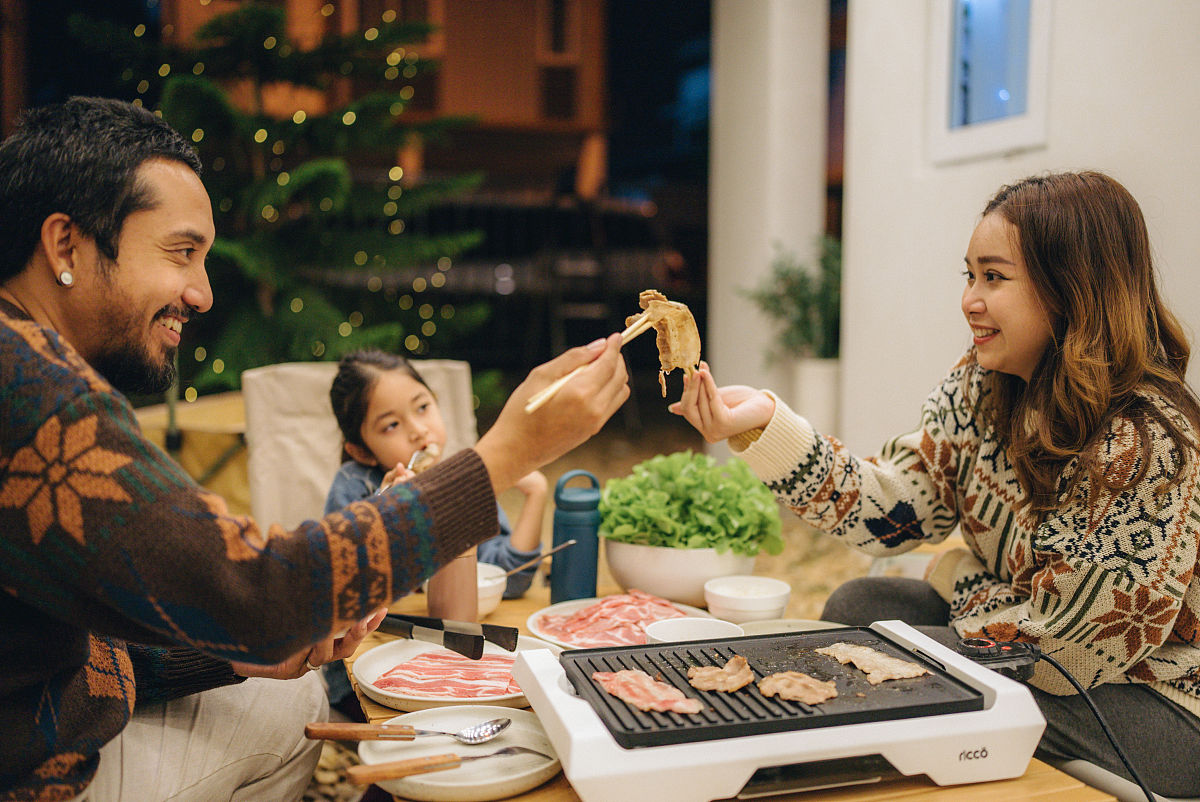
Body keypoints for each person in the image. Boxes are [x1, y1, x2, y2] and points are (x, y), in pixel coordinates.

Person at [0, 97, 628, 802]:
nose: (202, 293)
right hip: (33, 775)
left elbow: (103, 621)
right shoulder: (31, 393)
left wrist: (242, 648)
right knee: (289, 708)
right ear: (65, 246)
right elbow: (260, 589)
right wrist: (506, 455)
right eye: (181, 253)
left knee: (280, 698)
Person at [672, 171, 1200, 798]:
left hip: (1152, 701)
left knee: (906, 672)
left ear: (1071, 290)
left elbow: (1067, 653)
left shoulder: (1146, 442)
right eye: (969, 275)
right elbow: (893, 515)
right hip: (1026, 640)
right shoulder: (982, 385)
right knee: (859, 612)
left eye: (994, 277)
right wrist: (765, 423)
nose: (970, 299)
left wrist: (954, 577)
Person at [325, 349, 547, 600]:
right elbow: (345, 587)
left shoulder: (462, 479)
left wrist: (536, 492)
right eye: (391, 425)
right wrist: (385, 508)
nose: (419, 430)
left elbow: (509, 580)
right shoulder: (354, 486)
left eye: (422, 407)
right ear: (362, 452)